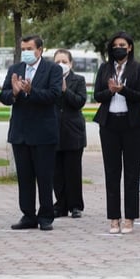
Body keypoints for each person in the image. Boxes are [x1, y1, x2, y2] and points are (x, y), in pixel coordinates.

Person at [0, 35, 63, 231]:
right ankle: (28, 215)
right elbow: (4, 95)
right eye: (23, 48)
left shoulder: (53, 69)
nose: (26, 52)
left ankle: (46, 216)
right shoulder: (15, 70)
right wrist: (15, 92)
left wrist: (31, 90)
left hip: (44, 133)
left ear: (40, 50)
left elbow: (54, 95)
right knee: (24, 177)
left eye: (29, 48)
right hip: (20, 132)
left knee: (44, 176)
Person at [93, 31, 140, 234]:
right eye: (115, 45)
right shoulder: (104, 68)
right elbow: (97, 95)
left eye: (123, 45)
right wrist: (111, 92)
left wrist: (122, 90)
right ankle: (114, 218)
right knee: (112, 172)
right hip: (109, 125)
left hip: (132, 124)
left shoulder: (139, 68)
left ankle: (130, 218)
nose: (119, 48)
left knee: (132, 173)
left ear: (130, 47)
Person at [52, 49, 87, 219]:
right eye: (57, 61)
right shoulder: (50, 79)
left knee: (73, 170)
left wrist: (66, 90)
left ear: (70, 63)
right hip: (54, 131)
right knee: (56, 171)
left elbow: (80, 102)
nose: (61, 65)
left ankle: (75, 205)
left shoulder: (78, 80)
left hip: (73, 131)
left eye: (64, 61)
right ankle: (60, 204)